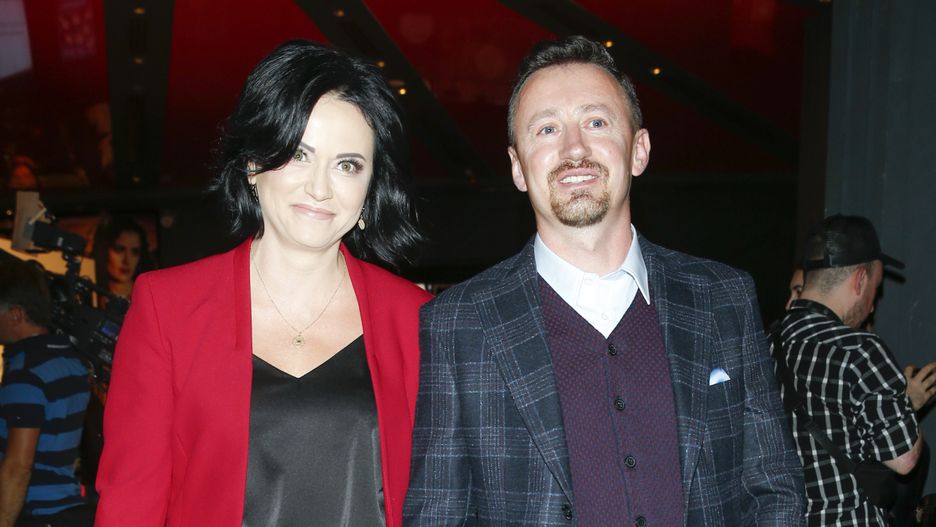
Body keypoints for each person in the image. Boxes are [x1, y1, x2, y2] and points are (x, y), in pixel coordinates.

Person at [405, 36, 805, 526]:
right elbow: (438, 514)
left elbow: (773, 488)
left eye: (596, 122)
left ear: (639, 150)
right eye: (547, 129)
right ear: (517, 168)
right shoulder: (458, 323)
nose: (574, 148)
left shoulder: (723, 298)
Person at [94, 40, 431, 526]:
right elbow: (130, 503)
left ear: (371, 186)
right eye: (298, 155)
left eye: (348, 165)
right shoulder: (167, 308)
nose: (320, 187)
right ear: (254, 164)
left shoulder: (416, 319)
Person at [777, 214, 923, 525]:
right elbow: (904, 458)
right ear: (859, 280)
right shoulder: (859, 349)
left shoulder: (763, 344)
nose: (872, 306)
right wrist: (906, 402)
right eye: (876, 288)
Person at [0, 259, 91, 526]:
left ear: (16, 315)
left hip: (35, 514)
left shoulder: (26, 370)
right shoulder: (70, 360)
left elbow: (18, 467)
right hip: (66, 509)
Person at [90, 215, 153, 302]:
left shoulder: (150, 296)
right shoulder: (91, 296)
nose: (126, 260)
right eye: (119, 250)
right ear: (104, 251)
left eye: (135, 252)